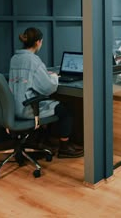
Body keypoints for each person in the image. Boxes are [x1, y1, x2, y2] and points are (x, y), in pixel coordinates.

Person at [9, 27, 83, 158]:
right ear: (38, 42)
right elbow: (48, 87)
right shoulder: (34, 60)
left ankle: (43, 140)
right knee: (66, 109)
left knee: (53, 104)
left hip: (12, 108)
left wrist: (43, 75)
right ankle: (64, 148)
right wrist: (53, 77)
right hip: (28, 108)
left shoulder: (15, 58)